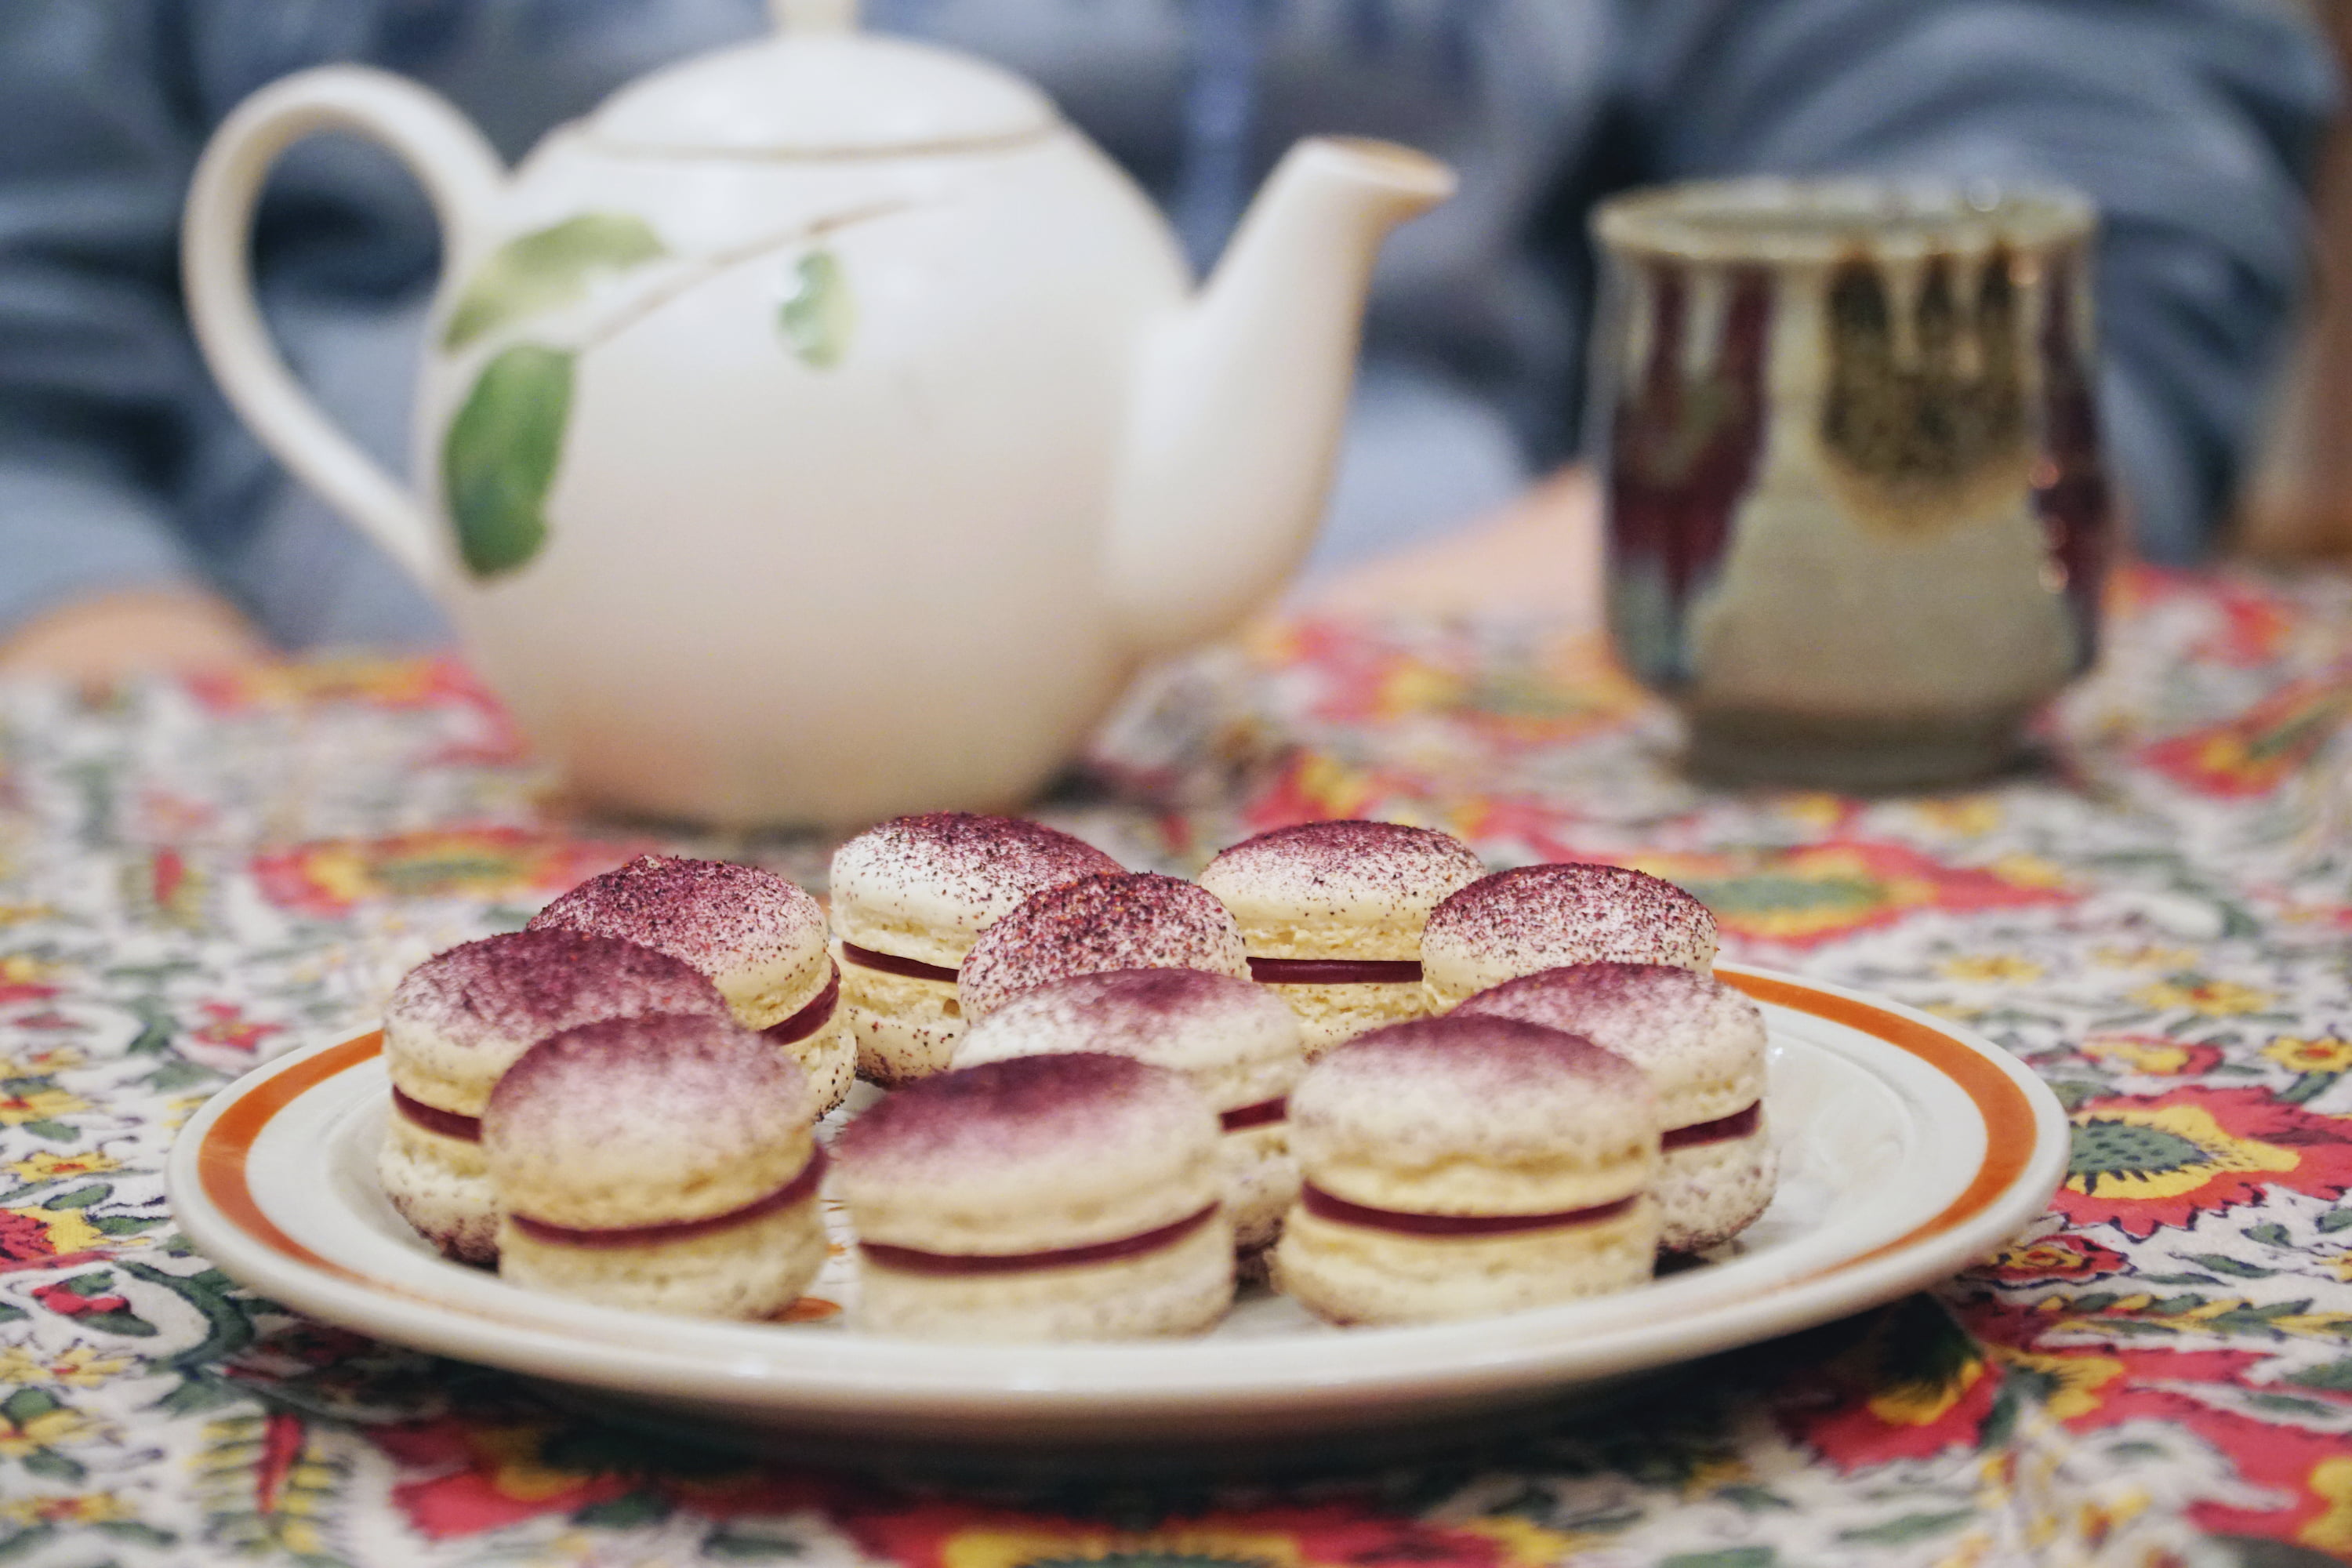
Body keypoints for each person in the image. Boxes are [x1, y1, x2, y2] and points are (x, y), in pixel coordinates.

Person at [0, 0, 2334, 679]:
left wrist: (1742, 538)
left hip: (1462, 686)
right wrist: (115, 690)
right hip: (346, 718)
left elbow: (2054, 94)